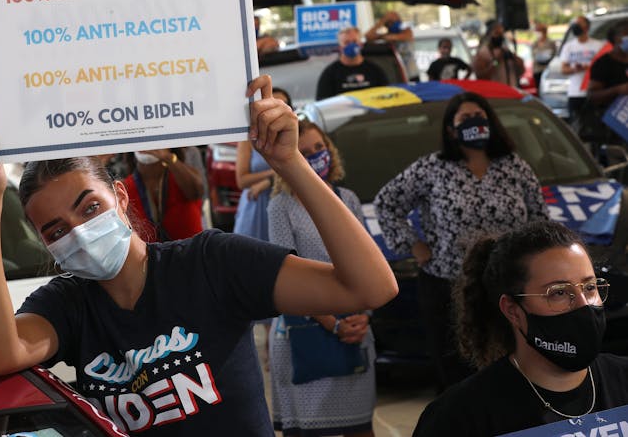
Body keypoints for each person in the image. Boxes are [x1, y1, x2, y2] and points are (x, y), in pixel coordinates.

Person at [0, 75, 399, 436]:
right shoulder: (68, 305)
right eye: (56, 230)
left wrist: (290, 164)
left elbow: (370, 286)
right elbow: (0, 354)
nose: (81, 233)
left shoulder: (211, 263)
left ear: (121, 199)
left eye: (90, 208)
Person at [374, 91, 548, 394]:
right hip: (448, 287)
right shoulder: (432, 168)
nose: (475, 122)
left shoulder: (514, 166)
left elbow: (538, 217)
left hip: (506, 287)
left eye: (480, 116)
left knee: (512, 374)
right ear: (451, 130)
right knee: (459, 380)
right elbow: (386, 202)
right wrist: (415, 246)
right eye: (465, 118)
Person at [413, 221, 628, 436]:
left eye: (590, 288)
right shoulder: (460, 417)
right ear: (513, 310)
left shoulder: (622, 380)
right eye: (558, 293)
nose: (584, 304)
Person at [268, 120, 376, 437]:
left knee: (360, 427)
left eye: (319, 148)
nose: (316, 156)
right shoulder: (281, 207)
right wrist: (334, 323)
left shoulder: (349, 199)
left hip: (354, 329)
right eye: (305, 152)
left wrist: (360, 318)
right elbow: (285, 277)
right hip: (304, 333)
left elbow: (370, 267)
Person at [233, 87, 292, 241]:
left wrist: (268, 181)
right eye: (273, 104)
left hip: (287, 203)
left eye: (283, 105)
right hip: (256, 206)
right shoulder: (249, 138)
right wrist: (272, 175)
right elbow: (242, 180)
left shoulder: (293, 137)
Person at [122, 148, 204, 242]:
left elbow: (196, 193)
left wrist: (169, 158)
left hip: (191, 252)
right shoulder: (125, 187)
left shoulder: (181, 175)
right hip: (150, 255)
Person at [586, 19, 628, 156]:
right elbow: (592, 96)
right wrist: (617, 90)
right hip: (612, 130)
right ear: (616, 38)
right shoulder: (603, 63)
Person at [560, 16, 604, 138]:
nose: (576, 25)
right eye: (574, 23)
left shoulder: (598, 46)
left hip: (593, 93)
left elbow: (603, 69)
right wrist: (575, 69)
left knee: (595, 127)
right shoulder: (568, 47)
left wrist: (589, 68)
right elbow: (563, 69)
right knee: (576, 129)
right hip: (575, 93)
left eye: (579, 23)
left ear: (587, 27)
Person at [315, 27, 388, 100]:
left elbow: (387, 98)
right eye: (347, 43)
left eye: (354, 41)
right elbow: (322, 103)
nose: (351, 45)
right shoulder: (330, 73)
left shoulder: (375, 70)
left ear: (361, 45)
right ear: (340, 47)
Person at [365, 11, 420, 82]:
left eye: (396, 20)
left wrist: (385, 36)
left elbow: (396, 37)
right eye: (390, 22)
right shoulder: (386, 35)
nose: (394, 23)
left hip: (412, 74)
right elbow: (368, 36)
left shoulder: (407, 32)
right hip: (396, 75)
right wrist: (382, 21)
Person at [472, 20, 525, 87]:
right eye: (497, 33)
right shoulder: (482, 53)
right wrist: (496, 62)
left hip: (511, 91)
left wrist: (517, 61)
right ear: (489, 34)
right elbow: (480, 76)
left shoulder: (506, 51)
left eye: (502, 33)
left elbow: (521, 71)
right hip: (494, 93)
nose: (500, 36)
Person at [532, 22, 557, 91]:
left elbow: (553, 55)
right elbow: (534, 55)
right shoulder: (535, 43)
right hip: (537, 70)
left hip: (547, 70)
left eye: (539, 31)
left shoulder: (551, 42)